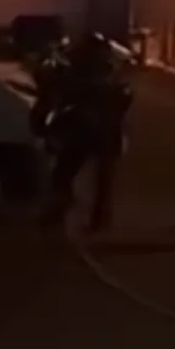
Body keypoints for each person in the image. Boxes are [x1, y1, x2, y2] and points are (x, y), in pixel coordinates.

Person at [35, 32, 132, 233]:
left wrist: (47, 128)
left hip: (87, 130)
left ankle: (65, 212)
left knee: (67, 172)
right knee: (96, 178)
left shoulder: (77, 74)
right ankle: (94, 218)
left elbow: (56, 97)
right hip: (98, 130)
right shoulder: (110, 74)